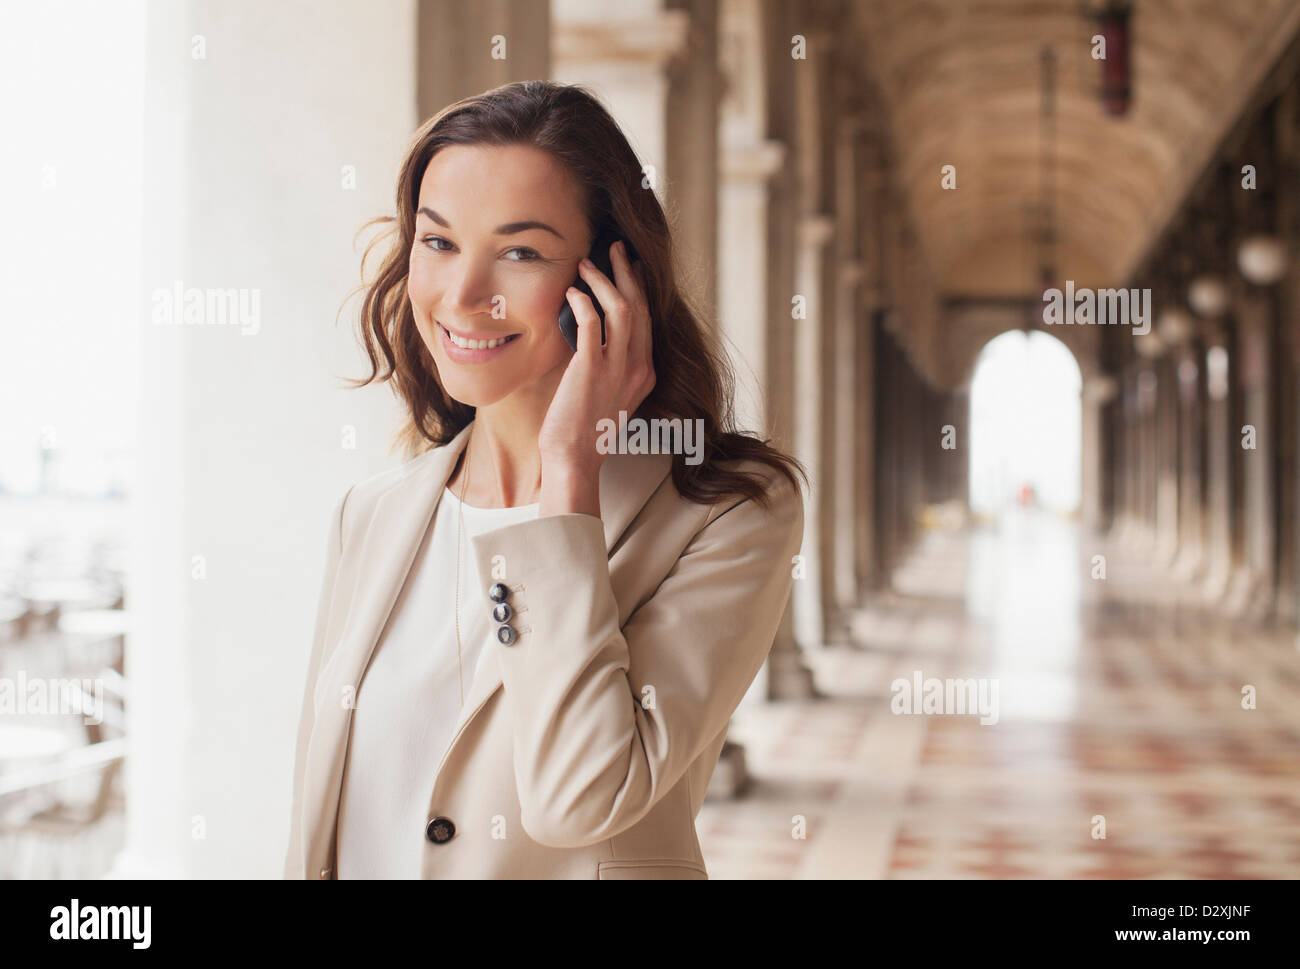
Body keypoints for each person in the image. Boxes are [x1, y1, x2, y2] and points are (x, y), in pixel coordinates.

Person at [284, 80, 806, 879]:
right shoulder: (373, 515)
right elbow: (318, 822)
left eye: (519, 251)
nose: (462, 297)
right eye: (438, 241)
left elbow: (583, 799)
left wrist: (570, 475)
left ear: (608, 284)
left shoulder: (727, 514)